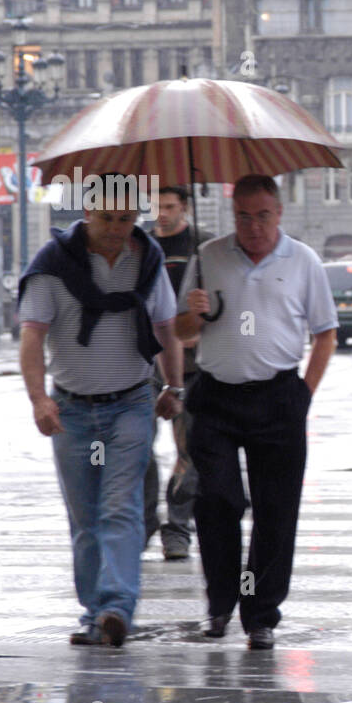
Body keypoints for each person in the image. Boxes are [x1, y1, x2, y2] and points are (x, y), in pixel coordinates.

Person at [17, 179, 184, 647]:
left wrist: (174, 387)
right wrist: (38, 399)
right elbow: (32, 337)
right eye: (107, 218)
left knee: (120, 506)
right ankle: (94, 613)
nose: (116, 229)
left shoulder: (147, 262)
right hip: (71, 407)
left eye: (126, 220)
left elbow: (167, 330)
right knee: (85, 515)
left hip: (130, 403)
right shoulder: (53, 266)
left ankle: (116, 606)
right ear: (87, 213)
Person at [177, 174, 337, 650]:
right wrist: (194, 313)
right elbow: (181, 331)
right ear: (232, 214)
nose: (253, 226)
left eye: (262, 215)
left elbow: (325, 332)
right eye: (243, 216)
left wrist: (304, 393)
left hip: (278, 396)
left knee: (276, 510)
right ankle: (221, 603)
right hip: (216, 397)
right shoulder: (208, 258)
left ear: (279, 213)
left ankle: (260, 614)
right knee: (217, 500)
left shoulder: (304, 261)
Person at [142, 185, 212, 561]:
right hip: (148, 362)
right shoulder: (141, 247)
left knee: (190, 451)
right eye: (156, 206)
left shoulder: (204, 246)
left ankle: (178, 526)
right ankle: (146, 519)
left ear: (184, 207)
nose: (162, 214)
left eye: (169, 207)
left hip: (194, 363)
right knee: (140, 447)